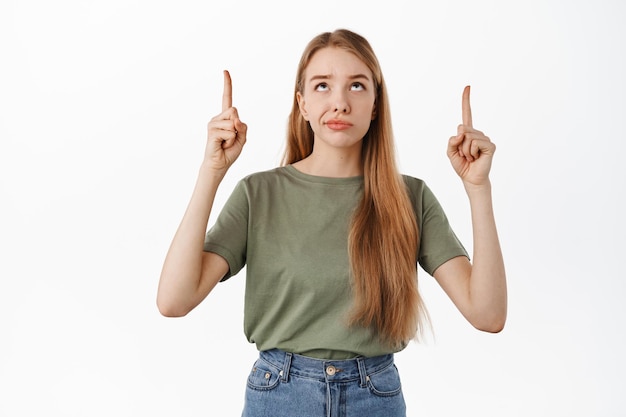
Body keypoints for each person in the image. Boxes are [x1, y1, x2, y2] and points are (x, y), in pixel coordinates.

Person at [157, 28, 506, 417]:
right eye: (322, 85)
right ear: (302, 104)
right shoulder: (259, 194)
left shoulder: (411, 198)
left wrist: (478, 189)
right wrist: (211, 171)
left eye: (356, 86)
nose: (339, 102)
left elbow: (487, 314)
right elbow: (174, 300)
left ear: (375, 105)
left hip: (374, 397)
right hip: (280, 395)